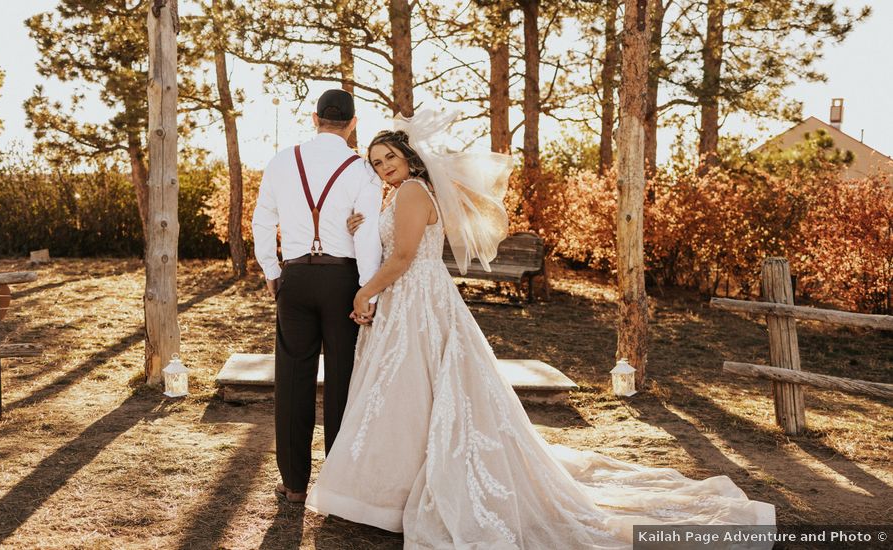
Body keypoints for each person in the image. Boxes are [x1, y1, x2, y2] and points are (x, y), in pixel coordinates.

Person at [305, 110, 775, 548]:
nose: (384, 166)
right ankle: (398, 486)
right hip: (417, 297)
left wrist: (364, 293)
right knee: (418, 393)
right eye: (376, 161)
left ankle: (394, 491)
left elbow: (405, 257)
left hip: (417, 299)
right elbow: (398, 244)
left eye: (390, 157)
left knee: (409, 390)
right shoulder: (407, 192)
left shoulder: (410, 191)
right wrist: (360, 225)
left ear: (410, 157)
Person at [252, 89, 383, 504]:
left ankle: (293, 485)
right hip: (343, 279)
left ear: (314, 118)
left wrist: (272, 271)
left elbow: (261, 222)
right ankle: (337, 488)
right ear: (353, 123)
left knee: (292, 380)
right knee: (343, 379)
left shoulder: (281, 161)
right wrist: (367, 290)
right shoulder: (363, 170)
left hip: (295, 277)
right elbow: (366, 236)